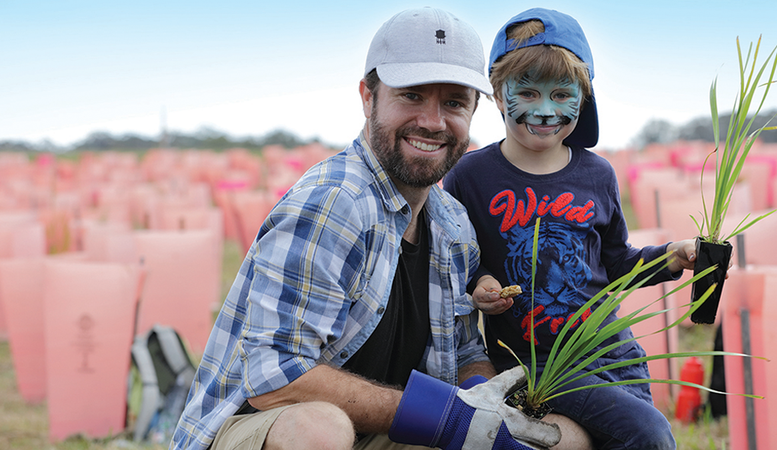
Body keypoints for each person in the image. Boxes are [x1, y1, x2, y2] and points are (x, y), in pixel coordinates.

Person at [170, 7, 578, 450]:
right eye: (412, 96)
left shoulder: (452, 224)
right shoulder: (334, 202)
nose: (433, 121)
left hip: (377, 430)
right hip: (260, 424)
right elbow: (275, 376)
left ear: (475, 111)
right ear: (368, 97)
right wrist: (447, 418)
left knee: (563, 438)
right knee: (319, 431)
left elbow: (464, 354)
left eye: (454, 103)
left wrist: (485, 405)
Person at [443, 8, 699, 450]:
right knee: (650, 436)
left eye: (562, 94)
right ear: (499, 96)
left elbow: (616, 262)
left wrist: (672, 256)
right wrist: (481, 284)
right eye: (527, 92)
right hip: (541, 363)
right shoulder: (470, 175)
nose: (545, 110)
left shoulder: (597, 174)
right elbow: (460, 262)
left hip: (613, 352)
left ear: (584, 96)